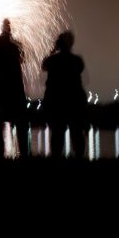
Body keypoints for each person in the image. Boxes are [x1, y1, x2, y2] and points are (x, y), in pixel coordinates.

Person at [0, 18, 28, 159]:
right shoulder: (15, 46)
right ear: (9, 29)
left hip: (0, 87)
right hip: (14, 88)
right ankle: (24, 154)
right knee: (20, 122)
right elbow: (22, 60)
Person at [41, 31, 87, 159]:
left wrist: (52, 50)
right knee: (77, 132)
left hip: (56, 102)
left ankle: (57, 158)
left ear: (58, 45)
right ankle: (79, 157)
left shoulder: (52, 60)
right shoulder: (77, 60)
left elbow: (43, 66)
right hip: (74, 101)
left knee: (57, 133)